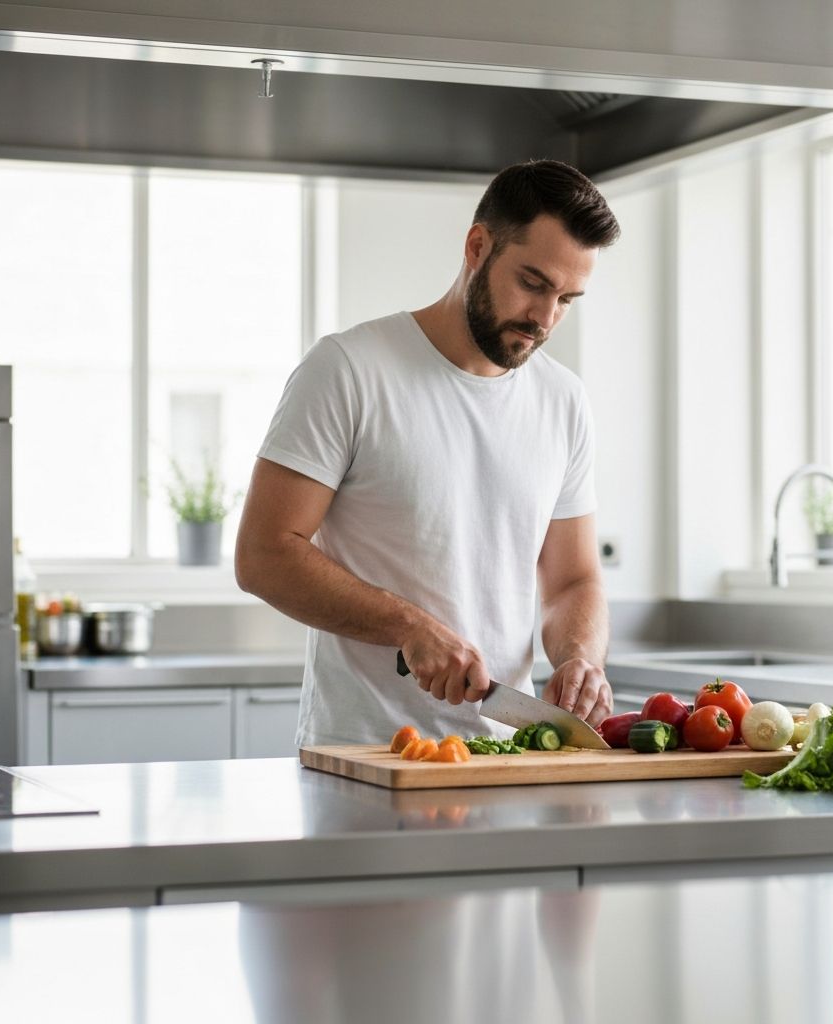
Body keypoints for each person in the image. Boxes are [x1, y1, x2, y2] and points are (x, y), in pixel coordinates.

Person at [235, 159, 621, 747]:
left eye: (568, 299)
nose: (545, 319)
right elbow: (263, 554)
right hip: (365, 758)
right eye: (534, 283)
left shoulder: (563, 400)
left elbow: (572, 580)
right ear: (476, 246)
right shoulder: (349, 369)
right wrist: (407, 625)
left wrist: (578, 659)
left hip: (505, 760)